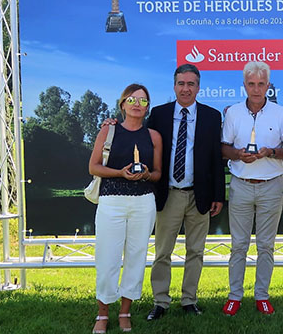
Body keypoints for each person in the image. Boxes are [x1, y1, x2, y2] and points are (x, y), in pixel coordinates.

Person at [146, 64, 225, 320]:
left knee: (196, 252)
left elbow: (216, 159)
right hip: (167, 194)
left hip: (199, 196)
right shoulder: (158, 115)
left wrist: (218, 196)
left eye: (191, 84)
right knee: (162, 252)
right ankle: (160, 301)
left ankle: (189, 300)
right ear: (174, 86)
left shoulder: (212, 117)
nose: (186, 89)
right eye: (181, 83)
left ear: (198, 87)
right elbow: (140, 141)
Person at [89, 84, 162, 333]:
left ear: (147, 107)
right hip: (111, 200)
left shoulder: (153, 136)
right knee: (107, 257)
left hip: (143, 202)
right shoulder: (109, 131)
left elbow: (157, 174)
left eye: (143, 101)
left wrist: (145, 176)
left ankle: (125, 311)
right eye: (132, 100)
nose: (137, 105)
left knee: (136, 257)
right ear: (122, 104)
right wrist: (120, 173)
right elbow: (94, 167)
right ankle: (102, 314)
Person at [220, 61, 283, 316]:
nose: (256, 89)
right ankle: (234, 296)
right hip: (240, 185)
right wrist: (238, 154)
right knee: (238, 244)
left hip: (271, 186)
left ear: (268, 86)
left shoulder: (281, 113)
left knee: (266, 246)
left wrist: (270, 152)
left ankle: (262, 295)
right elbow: (224, 148)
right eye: (251, 84)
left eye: (261, 84)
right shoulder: (233, 113)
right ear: (244, 85)